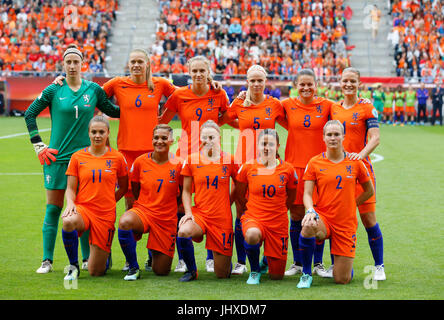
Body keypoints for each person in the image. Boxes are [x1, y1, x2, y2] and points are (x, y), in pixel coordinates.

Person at [24, 44, 121, 274]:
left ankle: (86, 258)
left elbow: (114, 111)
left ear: (82, 64)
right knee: (54, 209)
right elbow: (29, 114)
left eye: (76, 61)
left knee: (84, 209)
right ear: (63, 64)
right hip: (57, 159)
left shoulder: (94, 90)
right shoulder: (53, 90)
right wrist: (39, 146)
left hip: (87, 160)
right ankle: (47, 260)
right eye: (68, 62)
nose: (72, 65)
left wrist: (138, 98)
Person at [159, 56, 234, 273]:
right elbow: (163, 121)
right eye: (195, 71)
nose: (199, 74)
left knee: (212, 203)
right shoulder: (180, 95)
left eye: (202, 70)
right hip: (184, 157)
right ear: (189, 73)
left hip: (211, 159)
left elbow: (226, 118)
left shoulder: (218, 93)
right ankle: (183, 258)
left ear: (208, 71)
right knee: (181, 206)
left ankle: (212, 256)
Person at [221, 65, 286, 275]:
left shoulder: (274, 104)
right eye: (252, 81)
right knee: (241, 211)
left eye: (260, 80)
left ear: (265, 82)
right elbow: (223, 118)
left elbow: (291, 124)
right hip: (243, 164)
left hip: (269, 165)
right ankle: (241, 261)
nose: (256, 84)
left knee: (271, 209)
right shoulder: (239, 103)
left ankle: (267, 257)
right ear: (247, 82)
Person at [296, 120, 374, 288]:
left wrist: (352, 203)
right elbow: (307, 194)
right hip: (323, 218)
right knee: (308, 225)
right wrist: (310, 210)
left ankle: (345, 265)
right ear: (323, 138)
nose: (333, 138)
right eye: (329, 135)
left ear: (343, 137)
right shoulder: (315, 162)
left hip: (346, 223)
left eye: (337, 134)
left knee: (342, 279)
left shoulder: (356, 162)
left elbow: (369, 190)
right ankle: (306, 274)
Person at [330, 67, 385, 281]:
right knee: (336, 218)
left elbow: (375, 138)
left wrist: (359, 156)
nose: (348, 84)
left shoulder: (367, 108)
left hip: (361, 172)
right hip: (337, 175)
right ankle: (335, 265)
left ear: (359, 83)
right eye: (345, 81)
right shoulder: (334, 108)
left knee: (368, 218)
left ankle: (379, 266)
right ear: (340, 82)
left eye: (353, 81)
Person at [281, 69, 335, 277]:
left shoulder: (328, 105)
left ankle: (318, 263)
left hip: (320, 169)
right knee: (296, 215)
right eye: (301, 84)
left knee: (318, 215)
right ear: (296, 85)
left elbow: (348, 111)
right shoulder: (286, 104)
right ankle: (297, 262)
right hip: (294, 168)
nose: (306, 88)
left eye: (309, 84)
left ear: (316, 84)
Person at [62, 116, 128, 280]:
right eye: (94, 132)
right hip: (83, 208)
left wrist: (110, 201)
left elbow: (124, 187)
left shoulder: (117, 157)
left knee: (96, 272)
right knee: (68, 221)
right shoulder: (77, 157)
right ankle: (73, 267)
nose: (97, 135)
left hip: (105, 214)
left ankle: (104, 256)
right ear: (89, 134)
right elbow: (70, 188)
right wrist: (70, 203)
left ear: (107, 133)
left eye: (101, 132)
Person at [117, 124, 183, 280]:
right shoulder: (140, 162)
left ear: (171, 141)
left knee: (161, 271)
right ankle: (133, 267)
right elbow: (135, 189)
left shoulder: (179, 164)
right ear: (152, 139)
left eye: (164, 138)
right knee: (125, 221)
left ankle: (154, 253)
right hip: (144, 212)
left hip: (166, 219)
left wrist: (167, 206)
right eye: (156, 138)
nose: (159, 141)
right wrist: (147, 204)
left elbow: (181, 193)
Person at [177, 120, 238, 281]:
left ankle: (224, 260)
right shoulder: (192, 160)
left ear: (219, 138)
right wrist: (189, 212)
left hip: (222, 219)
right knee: (183, 231)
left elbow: (240, 185)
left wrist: (228, 202)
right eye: (204, 137)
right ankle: (191, 271)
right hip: (201, 215)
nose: (208, 141)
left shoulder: (229, 160)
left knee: (222, 275)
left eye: (212, 137)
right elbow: (186, 191)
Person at [236, 129, 297, 284]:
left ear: (277, 146)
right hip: (254, 219)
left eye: (271, 144)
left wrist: (280, 210)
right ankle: (255, 271)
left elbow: (291, 196)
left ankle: (265, 261)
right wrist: (250, 210)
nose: (267, 148)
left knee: (277, 276)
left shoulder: (288, 169)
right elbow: (240, 195)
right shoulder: (248, 167)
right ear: (257, 146)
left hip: (278, 223)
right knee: (251, 234)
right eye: (263, 144)